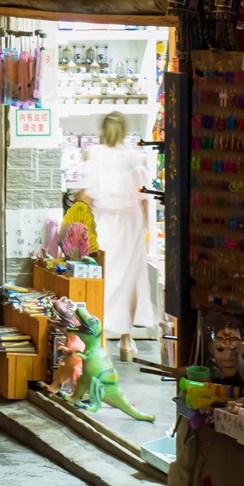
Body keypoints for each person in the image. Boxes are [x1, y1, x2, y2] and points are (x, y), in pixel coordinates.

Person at [80, 112, 158, 361]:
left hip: (104, 222)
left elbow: (85, 196)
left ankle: (99, 339)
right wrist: (146, 230)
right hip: (131, 223)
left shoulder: (94, 155)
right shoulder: (135, 157)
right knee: (131, 280)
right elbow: (145, 199)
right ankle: (126, 340)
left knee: (104, 278)